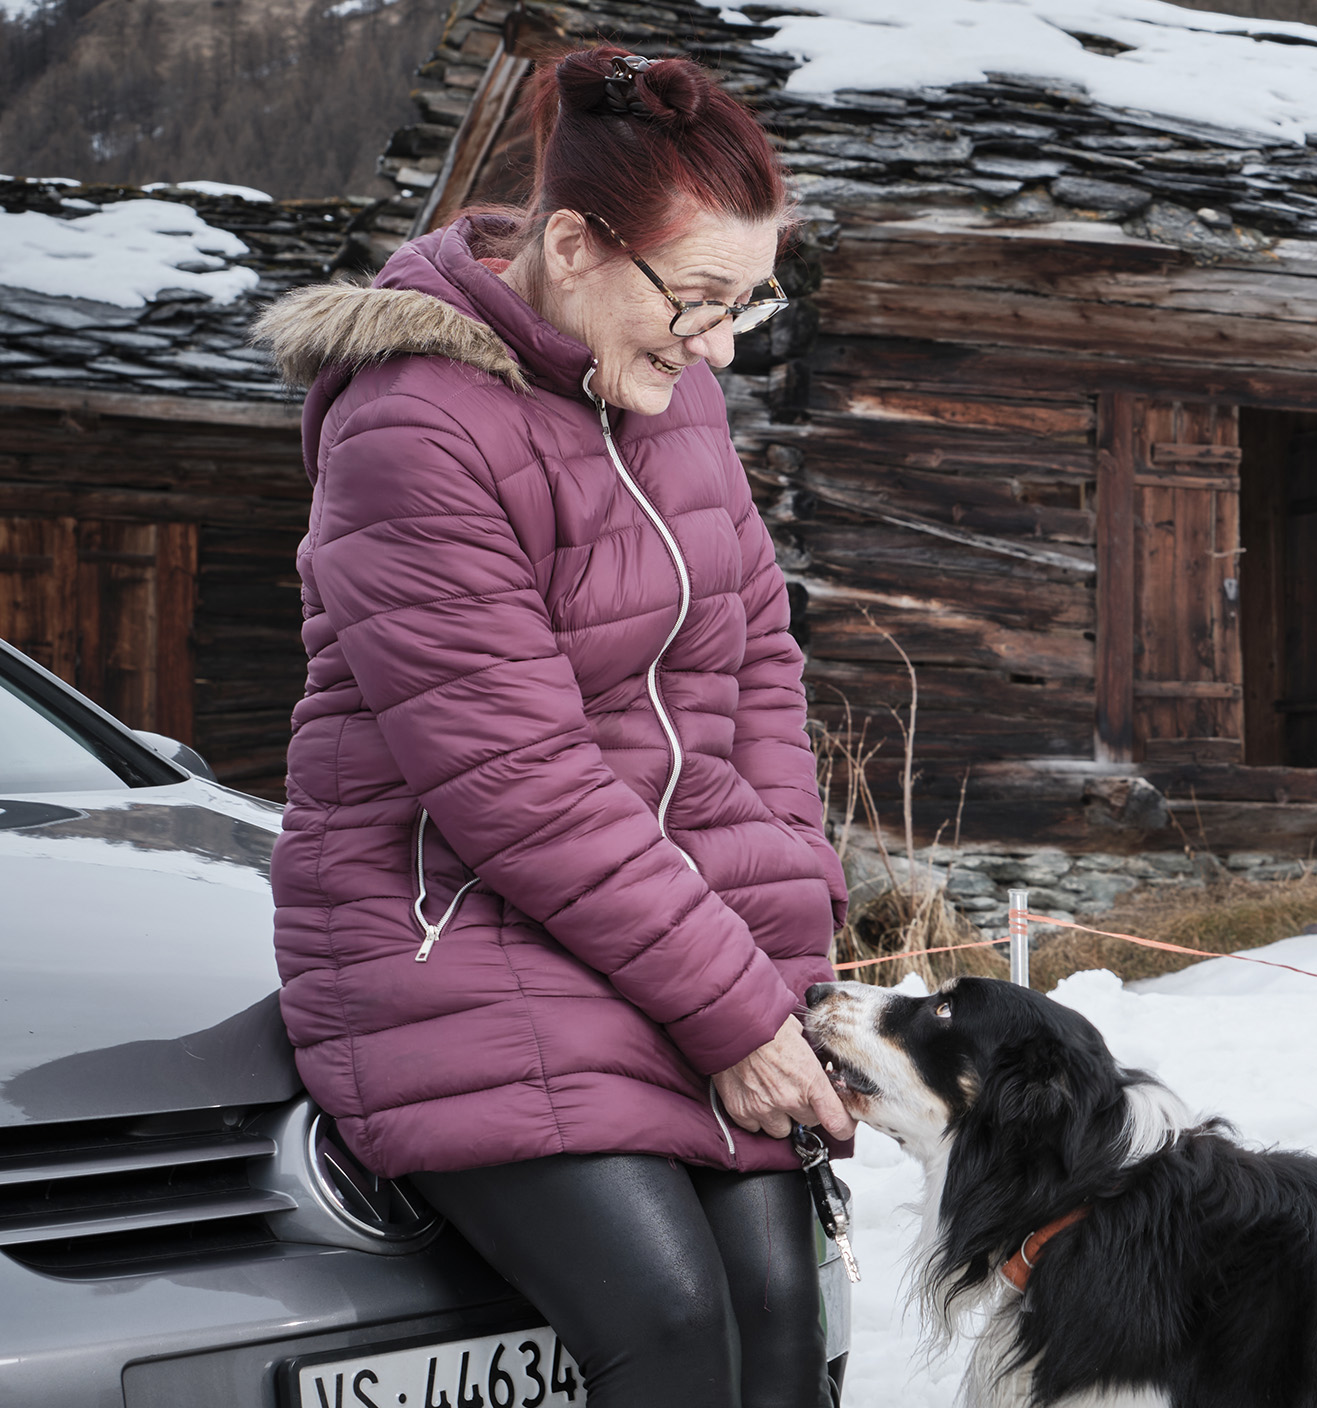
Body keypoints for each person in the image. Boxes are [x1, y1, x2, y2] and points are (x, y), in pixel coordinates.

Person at [259, 46, 853, 1408]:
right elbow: (522, 788)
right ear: (575, 245)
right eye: (698, 302)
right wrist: (735, 1011)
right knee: (675, 1326)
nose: (717, 348)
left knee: (782, 1322)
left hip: (676, 951)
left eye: (746, 308)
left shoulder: (674, 397)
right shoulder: (412, 430)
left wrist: (788, 951)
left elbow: (757, 668)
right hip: (461, 947)